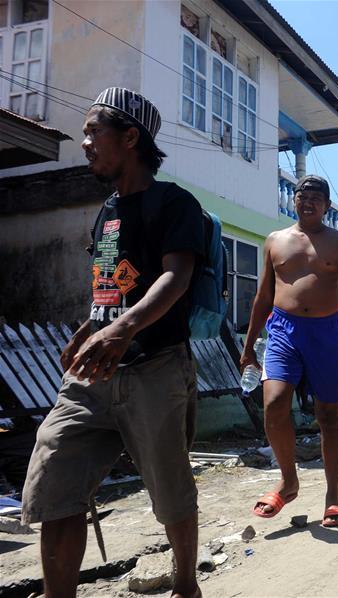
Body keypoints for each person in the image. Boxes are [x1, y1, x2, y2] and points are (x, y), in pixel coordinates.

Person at [21, 88, 204, 598]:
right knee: (55, 481)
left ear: (130, 137)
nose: (84, 142)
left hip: (156, 370)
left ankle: (186, 586)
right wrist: (90, 329)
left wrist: (122, 330)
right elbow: (110, 287)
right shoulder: (105, 212)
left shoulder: (174, 203)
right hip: (93, 375)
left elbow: (176, 277)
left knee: (170, 495)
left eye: (92, 131)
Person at [241, 175, 338, 527]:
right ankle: (288, 480)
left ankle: (333, 498)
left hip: (326, 333)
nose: (308, 201)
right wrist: (248, 343)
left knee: (329, 417)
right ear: (295, 200)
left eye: (316, 197)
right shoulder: (275, 240)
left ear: (327, 206)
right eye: (302, 195)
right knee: (273, 404)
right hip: (283, 330)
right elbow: (263, 295)